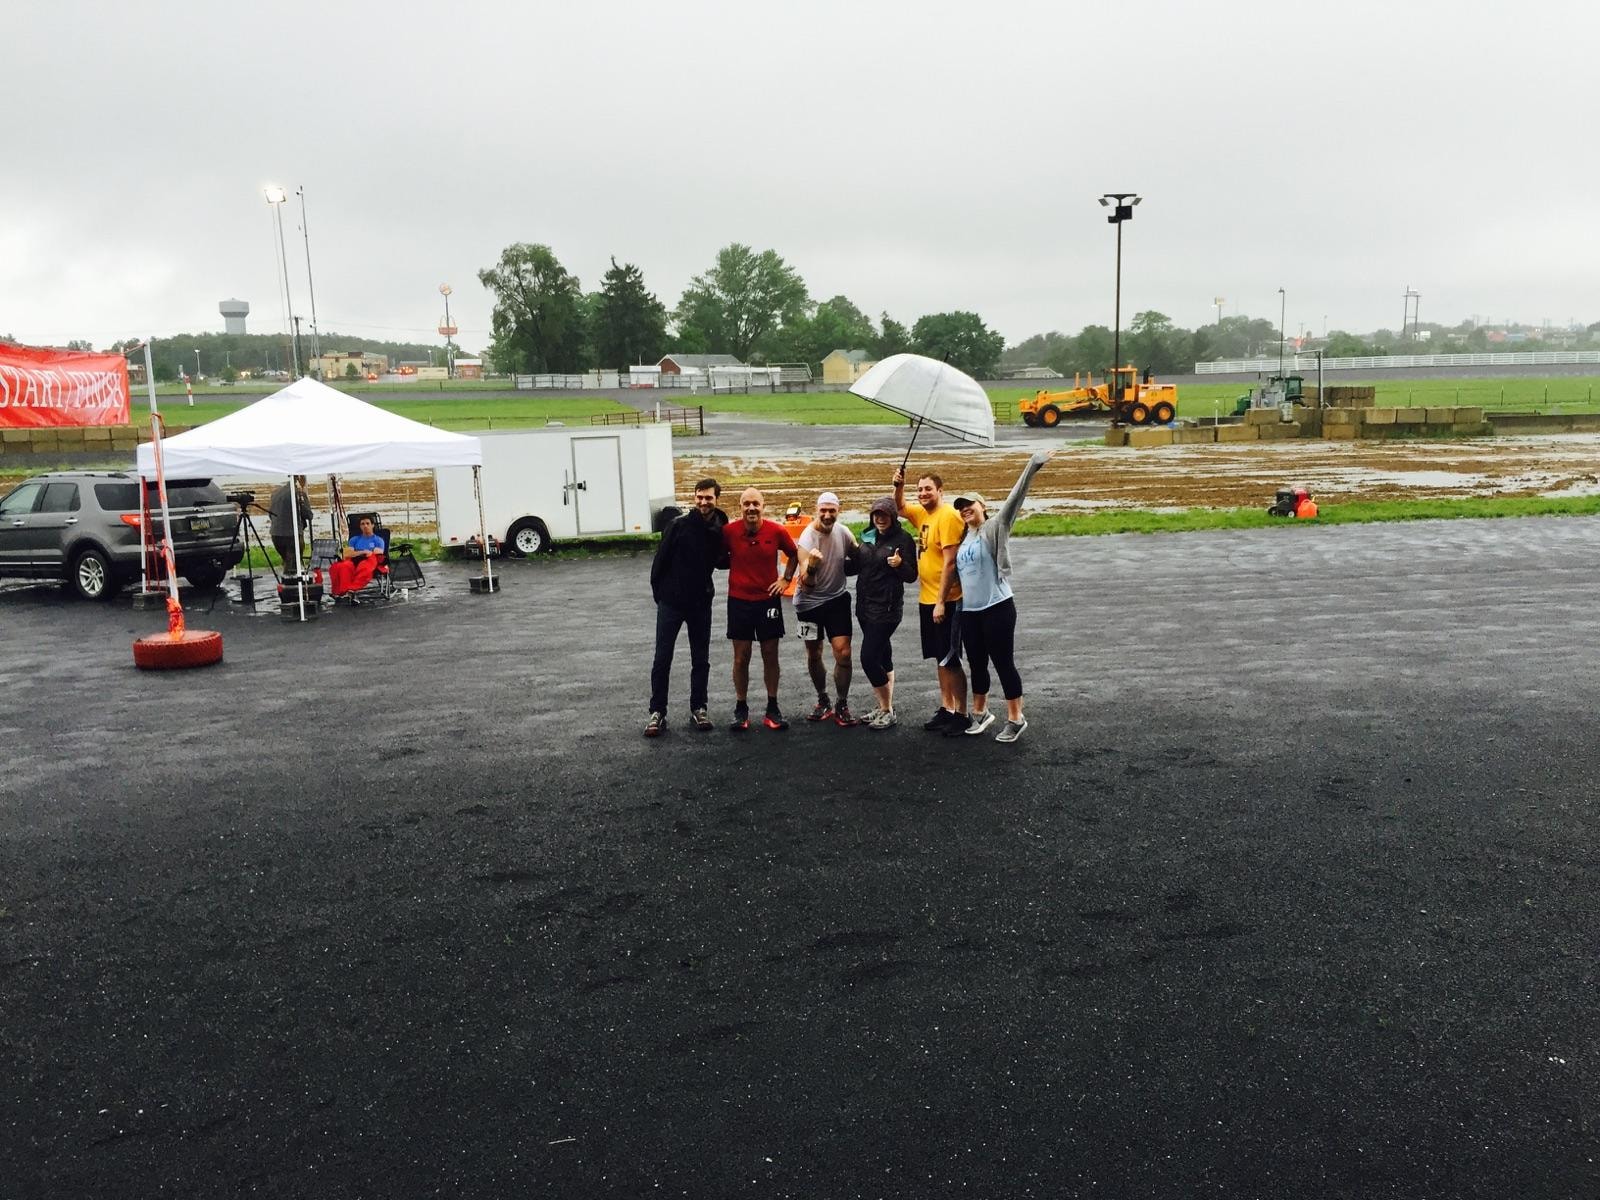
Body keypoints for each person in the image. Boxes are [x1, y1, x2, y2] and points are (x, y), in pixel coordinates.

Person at [950, 449, 1055, 744]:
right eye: (961, 508)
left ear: (982, 506)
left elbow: (1015, 498)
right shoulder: (963, 538)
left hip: (997, 606)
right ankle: (981, 713)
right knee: (977, 663)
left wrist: (1032, 466)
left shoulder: (995, 526)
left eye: (969, 505)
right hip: (970, 611)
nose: (964, 510)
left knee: (1003, 662)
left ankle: (1015, 718)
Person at [645, 479, 727, 738]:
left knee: (700, 659)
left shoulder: (720, 528)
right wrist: (661, 595)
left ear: (716, 499)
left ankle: (699, 708)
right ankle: (657, 712)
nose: (704, 502)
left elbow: (722, 560)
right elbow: (660, 562)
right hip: (671, 602)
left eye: (709, 498)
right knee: (662, 658)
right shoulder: (678, 525)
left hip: (700, 603)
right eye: (699, 497)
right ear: (694, 498)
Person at [893, 466, 969, 733]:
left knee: (950, 657)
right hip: (928, 597)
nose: (923, 493)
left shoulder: (947, 516)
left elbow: (950, 563)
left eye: (928, 489)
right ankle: (946, 707)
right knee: (939, 656)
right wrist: (899, 485)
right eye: (920, 489)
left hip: (946, 600)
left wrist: (940, 601)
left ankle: (962, 713)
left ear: (940, 491)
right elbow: (900, 508)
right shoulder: (924, 513)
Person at [720, 487, 800, 732]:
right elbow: (716, 556)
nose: (751, 508)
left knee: (770, 654)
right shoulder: (729, 532)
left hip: (767, 601)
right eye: (746, 504)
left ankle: (772, 707)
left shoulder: (776, 530)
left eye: (756, 504)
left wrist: (786, 579)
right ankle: (741, 708)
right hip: (739, 601)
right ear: (740, 507)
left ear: (763, 506)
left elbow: (794, 554)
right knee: (741, 656)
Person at [852, 495, 919, 729]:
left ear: (892, 516)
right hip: (864, 608)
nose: (880, 519)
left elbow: (911, 576)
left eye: (885, 514)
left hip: (887, 610)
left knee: (868, 659)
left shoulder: (903, 539)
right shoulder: (867, 536)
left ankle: (886, 710)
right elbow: (855, 566)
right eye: (876, 514)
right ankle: (883, 706)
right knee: (883, 656)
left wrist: (900, 565)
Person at [794, 491, 860, 727]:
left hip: (836, 600)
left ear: (838, 511)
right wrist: (811, 567)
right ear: (816, 509)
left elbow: (860, 556)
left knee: (843, 653)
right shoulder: (806, 540)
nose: (828, 515)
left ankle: (842, 702)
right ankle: (822, 698)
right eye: (823, 510)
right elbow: (806, 586)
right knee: (814, 653)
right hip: (806, 605)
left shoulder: (843, 533)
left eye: (832, 510)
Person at [327, 515, 386, 597]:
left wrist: (358, 552)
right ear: (360, 526)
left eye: (367, 523)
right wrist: (363, 552)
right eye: (363, 524)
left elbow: (376, 553)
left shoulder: (378, 540)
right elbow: (348, 554)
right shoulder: (354, 539)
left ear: (372, 525)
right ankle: (341, 591)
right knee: (339, 566)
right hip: (354, 560)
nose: (365, 526)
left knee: (364, 567)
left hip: (369, 561)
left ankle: (352, 588)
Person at [268, 475, 313, 575]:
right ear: (300, 480)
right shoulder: (299, 494)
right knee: (293, 566)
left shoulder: (276, 493)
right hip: (292, 535)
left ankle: (287, 582)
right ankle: (290, 586)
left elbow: (270, 514)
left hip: (276, 534)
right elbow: (308, 515)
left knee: (287, 561)